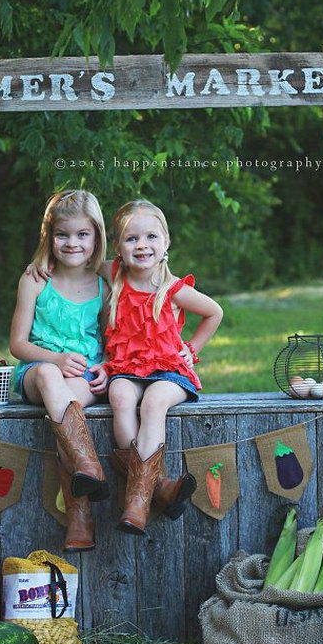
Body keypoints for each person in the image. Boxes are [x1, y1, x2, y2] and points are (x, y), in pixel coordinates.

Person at [103, 199, 223, 535]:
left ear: (166, 242)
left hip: (169, 370)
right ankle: (155, 488)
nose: (142, 245)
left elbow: (215, 312)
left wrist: (192, 349)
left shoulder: (172, 289)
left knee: (153, 403)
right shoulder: (114, 275)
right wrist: (42, 266)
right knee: (121, 396)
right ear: (117, 247)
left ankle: (137, 502)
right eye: (131, 239)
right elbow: (78, 260)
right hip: (127, 367)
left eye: (151, 237)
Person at [9, 190, 110, 553]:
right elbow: (17, 344)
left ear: (96, 236)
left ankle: (80, 515)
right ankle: (88, 466)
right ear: (48, 236)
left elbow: (113, 338)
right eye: (62, 234)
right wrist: (54, 359)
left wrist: (107, 366)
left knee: (68, 404)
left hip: (85, 378)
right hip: (37, 371)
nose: (72, 242)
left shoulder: (104, 283)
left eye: (82, 234)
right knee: (53, 381)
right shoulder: (35, 279)